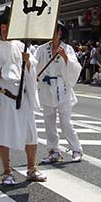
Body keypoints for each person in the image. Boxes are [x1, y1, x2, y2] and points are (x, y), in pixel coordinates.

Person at [0, 6, 46, 185]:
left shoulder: (21, 45)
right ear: (3, 27)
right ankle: (7, 171)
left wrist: (28, 63)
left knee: (31, 133)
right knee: (3, 133)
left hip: (23, 94)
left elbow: (33, 70)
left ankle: (31, 168)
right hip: (3, 95)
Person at [36, 21, 83, 164]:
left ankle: (76, 149)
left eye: (55, 31)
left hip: (62, 87)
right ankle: (54, 151)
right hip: (47, 86)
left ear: (60, 33)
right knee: (49, 121)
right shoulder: (42, 49)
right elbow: (35, 66)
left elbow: (76, 67)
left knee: (65, 122)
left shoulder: (67, 48)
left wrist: (65, 58)